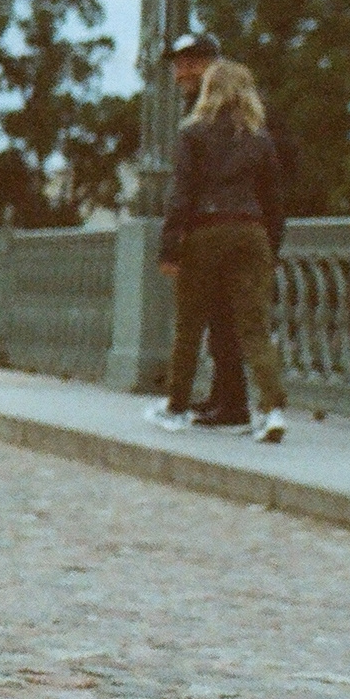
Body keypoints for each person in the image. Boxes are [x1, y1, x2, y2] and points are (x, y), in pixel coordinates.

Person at [149, 61, 290, 444]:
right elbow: (274, 200)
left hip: (206, 231)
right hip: (251, 232)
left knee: (189, 326)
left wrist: (170, 248)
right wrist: (271, 247)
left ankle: (176, 407)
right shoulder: (260, 139)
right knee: (255, 328)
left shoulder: (193, 133)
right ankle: (273, 411)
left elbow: (181, 194)